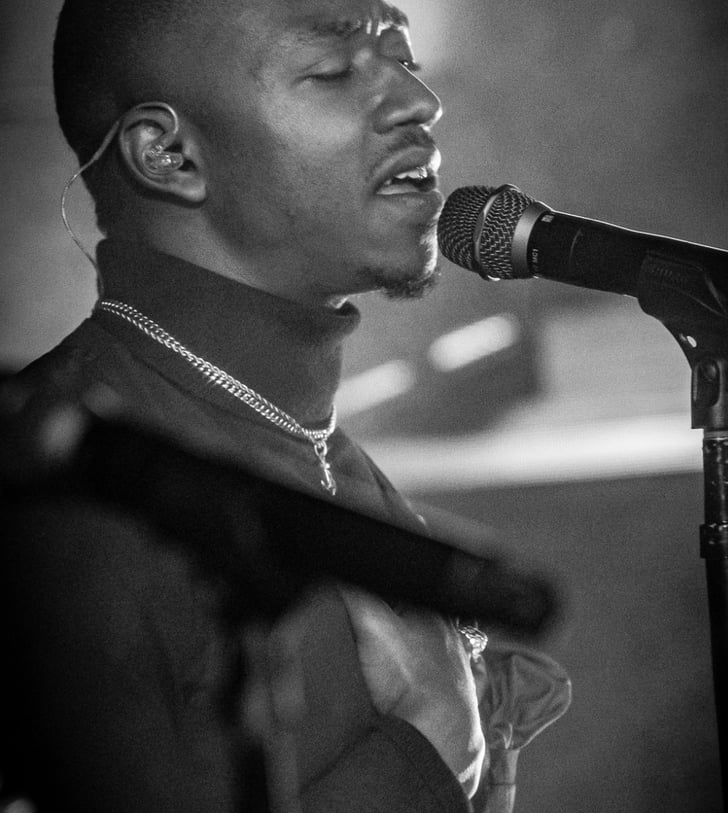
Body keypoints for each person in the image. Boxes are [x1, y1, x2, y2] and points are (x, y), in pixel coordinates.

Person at [0, 0, 570, 810]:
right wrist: (426, 753)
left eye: (402, 54)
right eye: (332, 70)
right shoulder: (60, 496)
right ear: (168, 153)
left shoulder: (309, 436)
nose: (419, 100)